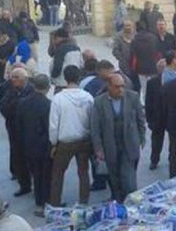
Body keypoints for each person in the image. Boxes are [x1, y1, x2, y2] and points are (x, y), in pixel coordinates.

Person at [91, 74, 147, 202]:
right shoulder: (99, 102)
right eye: (117, 87)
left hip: (129, 144)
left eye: (122, 86)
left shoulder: (132, 97)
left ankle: (131, 202)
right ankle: (117, 200)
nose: (121, 89)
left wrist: (141, 138)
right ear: (109, 86)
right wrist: (98, 148)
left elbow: (140, 119)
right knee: (114, 176)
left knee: (129, 180)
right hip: (110, 145)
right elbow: (95, 127)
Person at [49, 66, 94, 206]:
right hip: (84, 139)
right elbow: (92, 119)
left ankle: (55, 202)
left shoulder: (58, 98)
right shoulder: (88, 97)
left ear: (65, 78)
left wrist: (53, 143)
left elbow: (54, 124)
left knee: (58, 173)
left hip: (65, 141)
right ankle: (84, 201)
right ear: (79, 77)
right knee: (83, 172)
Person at [17, 74, 52, 217]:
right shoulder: (48, 104)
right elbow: (49, 127)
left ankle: (38, 200)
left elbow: (18, 124)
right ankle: (46, 200)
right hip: (44, 144)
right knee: (46, 174)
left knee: (36, 173)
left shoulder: (22, 102)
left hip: (28, 143)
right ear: (48, 87)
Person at [0, 67, 33, 197]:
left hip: (29, 131)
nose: (12, 80)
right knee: (19, 159)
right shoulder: (10, 91)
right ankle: (24, 185)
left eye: (16, 77)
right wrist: (17, 102)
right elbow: (4, 108)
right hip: (14, 130)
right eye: (12, 77)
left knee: (32, 159)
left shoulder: (32, 90)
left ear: (24, 79)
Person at [145, 59, 166, 170]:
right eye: (160, 67)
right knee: (156, 140)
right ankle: (154, 160)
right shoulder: (151, 82)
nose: (162, 69)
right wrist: (149, 119)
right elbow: (148, 101)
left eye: (164, 67)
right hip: (157, 116)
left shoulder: (173, 80)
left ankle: (174, 159)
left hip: (170, 115)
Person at [131, 21, 160, 93]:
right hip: (153, 67)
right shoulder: (153, 37)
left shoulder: (135, 39)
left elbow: (133, 55)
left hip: (141, 68)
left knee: (144, 88)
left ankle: (144, 99)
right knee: (154, 88)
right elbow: (158, 53)